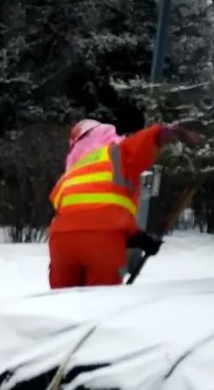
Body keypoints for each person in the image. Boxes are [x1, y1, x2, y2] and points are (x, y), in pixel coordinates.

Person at [49, 118, 200, 289]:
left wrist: (136, 238)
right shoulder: (116, 154)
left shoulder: (70, 174)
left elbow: (80, 212)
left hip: (61, 242)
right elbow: (144, 140)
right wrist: (171, 131)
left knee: (61, 303)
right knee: (102, 300)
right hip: (103, 242)